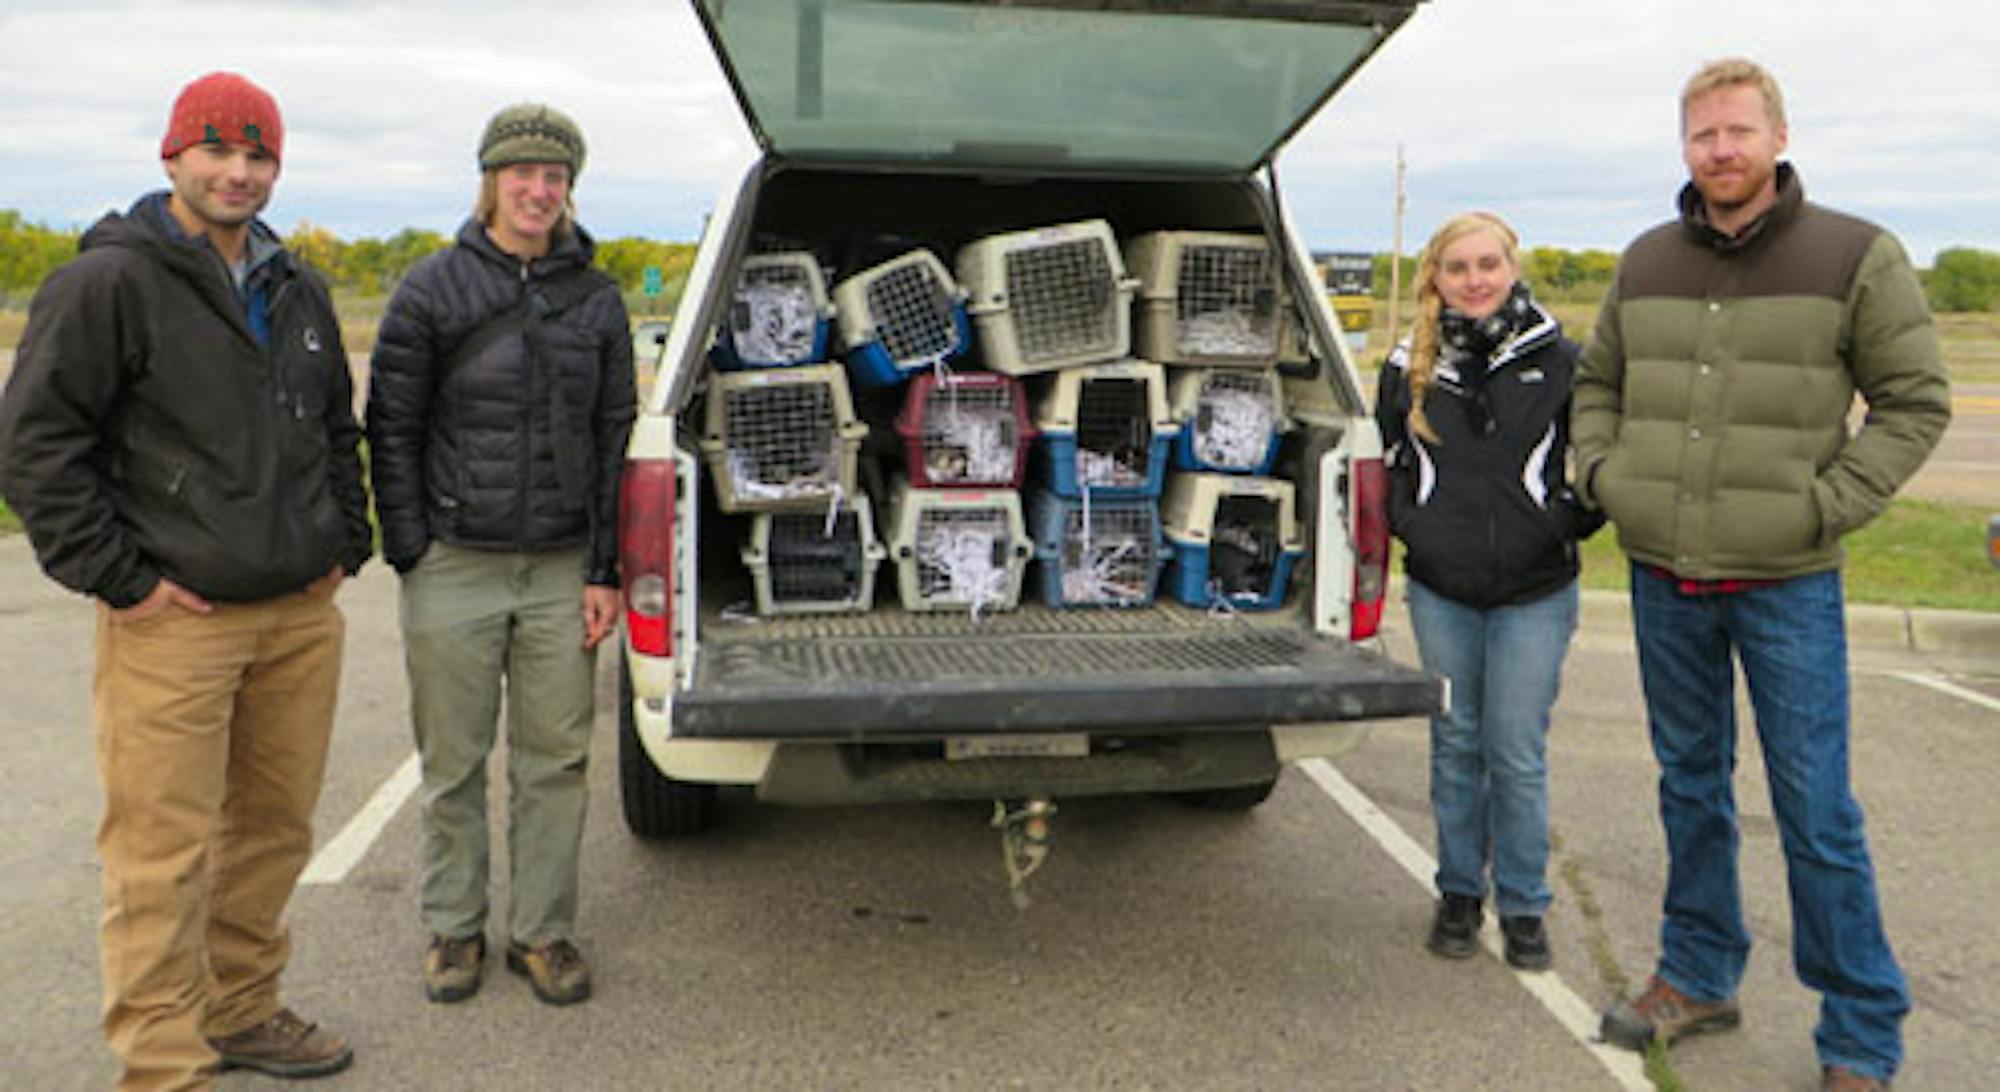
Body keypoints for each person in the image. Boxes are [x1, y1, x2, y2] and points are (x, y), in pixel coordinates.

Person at [1574, 59, 1950, 1092]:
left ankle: (1859, 1033)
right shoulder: (1644, 260)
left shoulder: (1854, 254)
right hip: (1663, 574)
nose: (1720, 150)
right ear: (1682, 147)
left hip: (1784, 581)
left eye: (1737, 131)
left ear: (1775, 136)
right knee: (1689, 788)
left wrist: (1821, 507)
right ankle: (1696, 974)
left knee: (1813, 809)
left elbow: (1914, 401)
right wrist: (1605, 476)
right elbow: (1595, 384)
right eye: (1701, 135)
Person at [0, 72, 370, 1087]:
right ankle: (164, 1062)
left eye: (258, 157)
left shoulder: (295, 285)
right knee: (160, 856)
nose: (238, 172)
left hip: (297, 613)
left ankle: (242, 1009)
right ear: (173, 157)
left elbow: (336, 425)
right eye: (218, 151)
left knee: (269, 833)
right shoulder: (109, 282)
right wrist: (123, 582)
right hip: (177, 622)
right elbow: (35, 448)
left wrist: (346, 537)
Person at [366, 102, 635, 1008]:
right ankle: (453, 926)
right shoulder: (432, 287)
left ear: (569, 190)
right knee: (452, 762)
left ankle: (544, 932)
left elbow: (614, 436)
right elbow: (391, 426)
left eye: (555, 178)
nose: (538, 190)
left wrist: (604, 568)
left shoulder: (596, 299)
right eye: (522, 174)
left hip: (563, 568)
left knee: (555, 760)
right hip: (456, 562)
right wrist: (410, 547)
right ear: (490, 180)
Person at [1375, 211, 1600, 973]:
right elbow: (1388, 465)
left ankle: (1527, 907)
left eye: (1487, 265)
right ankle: (1459, 893)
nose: (1474, 279)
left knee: (1515, 749)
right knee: (1456, 742)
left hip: (1535, 589)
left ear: (1512, 267)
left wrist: (1566, 521)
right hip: (1442, 589)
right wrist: (1417, 530)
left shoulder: (1563, 357)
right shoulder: (1407, 364)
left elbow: (1602, 455)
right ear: (1435, 278)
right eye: (1457, 267)